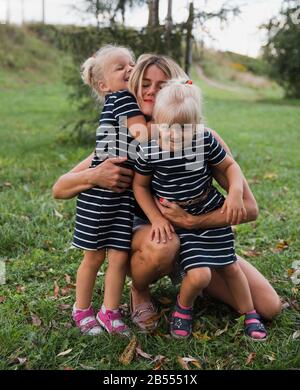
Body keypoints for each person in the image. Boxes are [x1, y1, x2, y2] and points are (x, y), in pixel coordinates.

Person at [52, 53, 281, 334]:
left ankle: (195, 278)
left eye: (161, 85)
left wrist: (195, 222)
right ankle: (140, 290)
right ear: (133, 87)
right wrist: (94, 175)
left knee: (269, 307)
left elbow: (250, 209)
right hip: (151, 236)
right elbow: (60, 188)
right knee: (164, 244)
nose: (151, 91)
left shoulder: (199, 137)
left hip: (197, 235)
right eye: (144, 83)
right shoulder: (126, 140)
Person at [133, 80, 267, 340]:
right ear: (156, 121)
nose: (173, 134)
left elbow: (230, 167)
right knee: (200, 275)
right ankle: (183, 308)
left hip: (209, 212)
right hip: (180, 225)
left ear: (196, 125)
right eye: (167, 127)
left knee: (231, 267)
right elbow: (140, 187)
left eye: (183, 128)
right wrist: (156, 218)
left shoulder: (204, 140)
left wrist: (236, 193)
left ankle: (250, 314)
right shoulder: (148, 150)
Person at [70, 44, 150, 337]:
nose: (130, 69)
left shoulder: (126, 101)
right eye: (120, 68)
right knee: (94, 256)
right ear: (104, 85)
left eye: (131, 63)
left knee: (118, 255)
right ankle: (81, 309)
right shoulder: (122, 100)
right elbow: (144, 136)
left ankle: (110, 311)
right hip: (100, 197)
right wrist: (173, 127)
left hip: (123, 195)